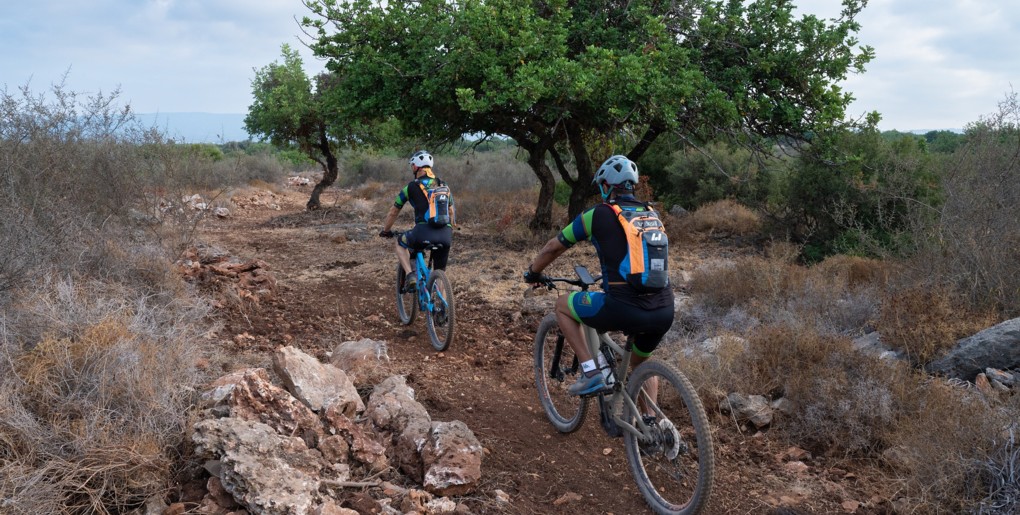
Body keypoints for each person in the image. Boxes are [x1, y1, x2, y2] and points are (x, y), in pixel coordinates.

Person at [523, 155, 674, 397]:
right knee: (640, 363)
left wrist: (533, 272)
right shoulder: (651, 214)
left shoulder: (598, 214)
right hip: (664, 309)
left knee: (562, 305)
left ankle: (592, 372)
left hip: (623, 307)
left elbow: (554, 246)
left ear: (606, 186)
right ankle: (653, 426)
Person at [379, 150, 455, 290]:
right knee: (441, 274)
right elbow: (451, 211)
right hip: (445, 234)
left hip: (422, 233)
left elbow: (394, 211)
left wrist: (386, 230)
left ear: (416, 167)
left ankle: (410, 275)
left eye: (412, 165)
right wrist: (450, 228)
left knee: (401, 243)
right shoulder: (444, 186)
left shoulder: (410, 187)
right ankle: (442, 309)